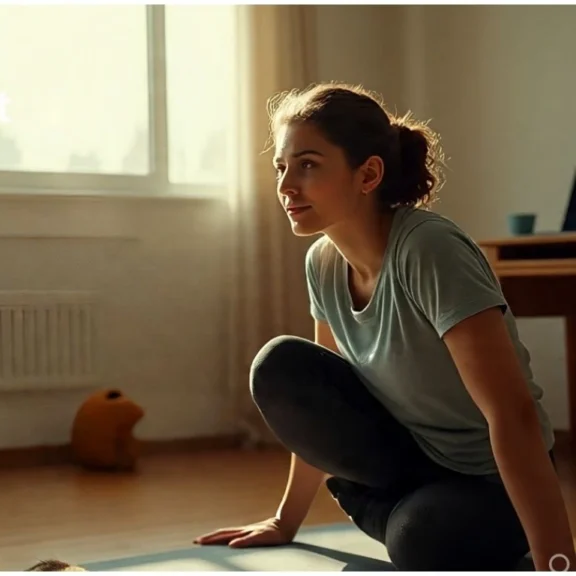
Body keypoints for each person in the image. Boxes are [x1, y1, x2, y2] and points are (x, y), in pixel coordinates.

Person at [194, 83, 575, 571]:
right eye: (281, 167)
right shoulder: (323, 264)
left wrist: (557, 560)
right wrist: (284, 522)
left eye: (308, 165)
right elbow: (321, 403)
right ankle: (409, 515)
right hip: (409, 463)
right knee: (280, 365)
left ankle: (420, 520)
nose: (287, 185)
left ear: (368, 173)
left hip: (489, 481)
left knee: (420, 541)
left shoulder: (429, 250)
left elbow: (513, 413)